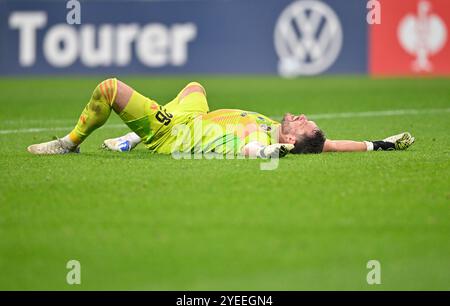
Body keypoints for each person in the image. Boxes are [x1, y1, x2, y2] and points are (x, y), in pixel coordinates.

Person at [27, 78, 415, 157]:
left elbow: (249, 151)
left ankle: (69, 144)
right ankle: (130, 138)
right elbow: (331, 144)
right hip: (197, 114)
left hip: (175, 134)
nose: (302, 116)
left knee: (110, 89)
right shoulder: (307, 142)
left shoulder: (266, 142)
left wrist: (270, 154)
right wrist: (380, 144)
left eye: (303, 123)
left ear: (291, 140)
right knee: (195, 88)